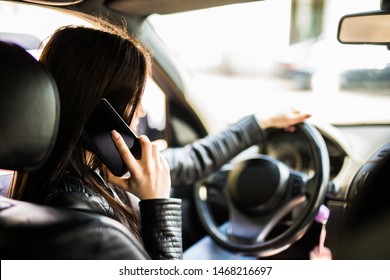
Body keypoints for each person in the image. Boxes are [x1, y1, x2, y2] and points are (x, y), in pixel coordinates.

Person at [7, 16, 310, 260]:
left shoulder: (95, 170)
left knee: (233, 238)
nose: (141, 111)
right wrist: (157, 204)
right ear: (97, 109)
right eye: (134, 100)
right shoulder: (89, 228)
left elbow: (191, 160)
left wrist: (260, 123)